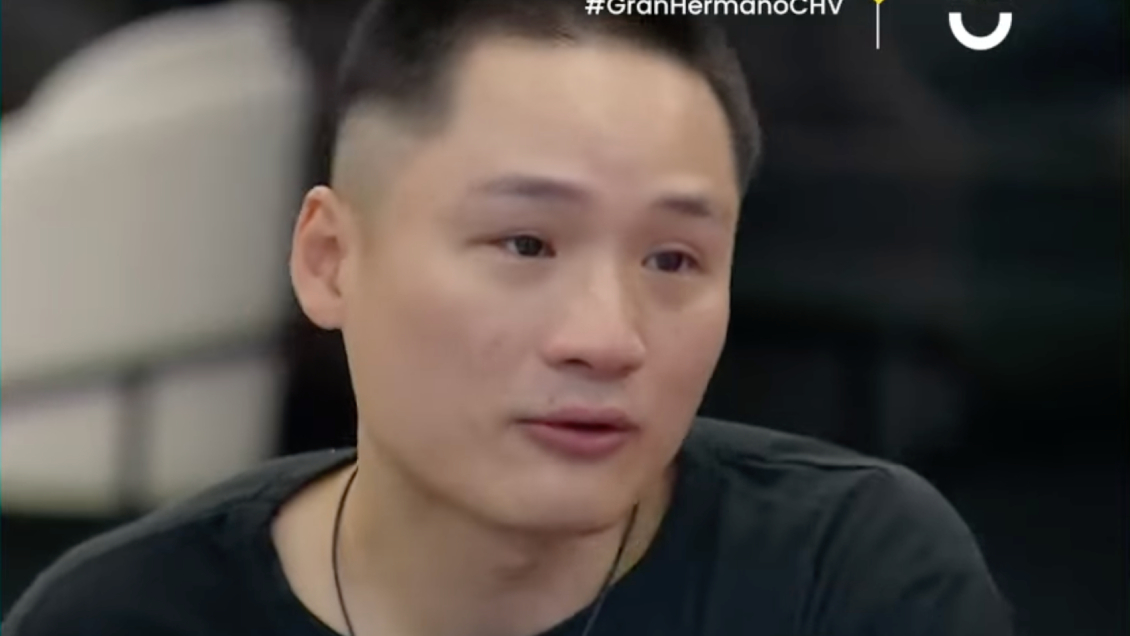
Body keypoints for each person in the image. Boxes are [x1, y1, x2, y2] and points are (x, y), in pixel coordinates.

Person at [3, 1, 1014, 634]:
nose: (606, 338)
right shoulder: (126, 615)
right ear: (329, 259)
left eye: (674, 259)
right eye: (525, 245)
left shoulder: (847, 579)